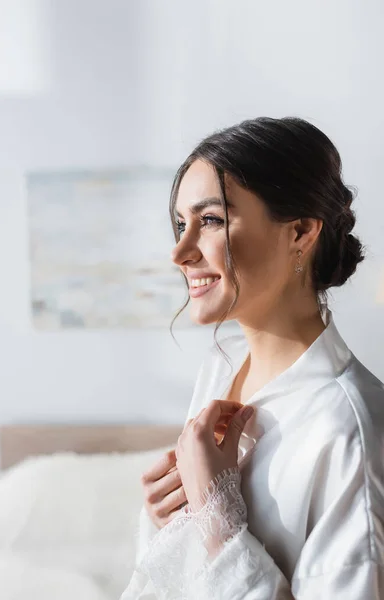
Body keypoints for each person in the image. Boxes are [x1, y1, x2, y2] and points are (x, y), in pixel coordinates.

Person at [121, 117, 384, 599]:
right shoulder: (219, 370)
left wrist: (218, 517)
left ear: (301, 232)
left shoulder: (352, 432)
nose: (180, 251)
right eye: (181, 224)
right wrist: (170, 523)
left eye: (212, 220)